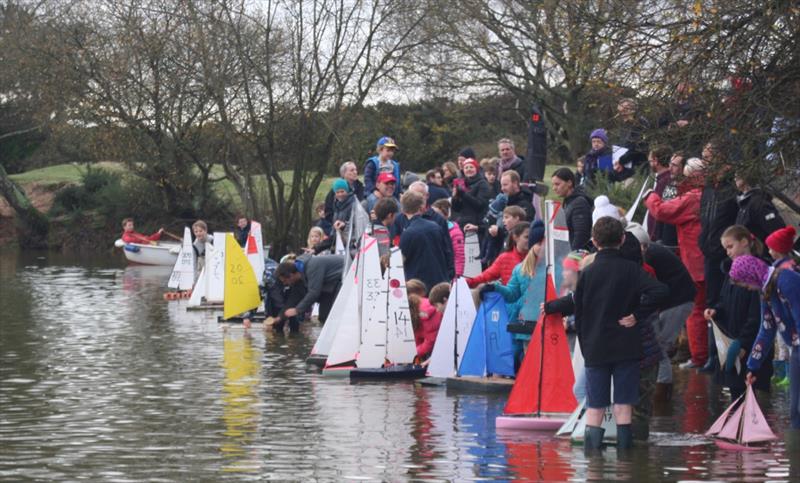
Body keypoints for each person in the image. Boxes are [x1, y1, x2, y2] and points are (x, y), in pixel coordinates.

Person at [574, 217, 668, 453]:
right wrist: (638, 314)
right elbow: (661, 290)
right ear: (623, 239)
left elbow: (579, 311)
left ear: (594, 242)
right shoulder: (632, 270)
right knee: (624, 406)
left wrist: (586, 345)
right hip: (627, 345)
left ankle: (592, 465)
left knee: (595, 407)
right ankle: (626, 465)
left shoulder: (587, 272)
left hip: (596, 345)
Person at [644, 158, 708, 370]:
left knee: (697, 310)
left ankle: (699, 357)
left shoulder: (693, 197)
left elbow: (662, 211)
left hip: (695, 261)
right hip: (703, 260)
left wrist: (651, 196)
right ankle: (707, 356)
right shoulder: (708, 194)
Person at [626, 223, 696, 402]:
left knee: (659, 348)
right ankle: (660, 396)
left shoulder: (649, 256)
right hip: (670, 301)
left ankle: (661, 397)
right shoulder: (647, 253)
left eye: (643, 246)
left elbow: (649, 289)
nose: (641, 250)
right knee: (658, 346)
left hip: (678, 300)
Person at [732, 255, 800, 429]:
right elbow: (767, 329)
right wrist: (753, 366)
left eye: (745, 283)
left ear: (751, 275)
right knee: (795, 412)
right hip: (796, 349)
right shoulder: (766, 291)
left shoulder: (787, 280)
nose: (747, 288)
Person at [706, 225, 772, 400]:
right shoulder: (731, 272)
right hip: (732, 340)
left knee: (752, 394)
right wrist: (716, 310)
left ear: (744, 242)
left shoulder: (757, 271)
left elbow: (757, 315)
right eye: (725, 248)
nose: (727, 252)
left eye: (730, 246)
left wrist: (744, 342)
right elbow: (723, 299)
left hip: (750, 344)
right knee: (736, 394)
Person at [394, 181, 455, 279]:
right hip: (413, 275)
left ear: (427, 196)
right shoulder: (400, 219)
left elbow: (447, 249)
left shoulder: (438, 220)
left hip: (435, 274)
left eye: (419, 195)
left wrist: (450, 273)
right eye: (412, 195)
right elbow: (395, 245)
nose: (415, 198)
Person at [399, 191, 451, 292]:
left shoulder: (408, 233)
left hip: (418, 286)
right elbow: (447, 252)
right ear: (422, 208)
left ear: (403, 210)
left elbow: (400, 260)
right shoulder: (436, 226)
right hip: (440, 282)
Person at [276, 253, 345, 324]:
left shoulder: (313, 266)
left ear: (291, 276)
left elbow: (314, 292)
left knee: (332, 317)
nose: (285, 284)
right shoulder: (299, 277)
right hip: (330, 285)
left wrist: (297, 310)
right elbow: (293, 298)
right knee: (323, 317)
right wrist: (280, 317)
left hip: (345, 277)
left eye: (285, 281)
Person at [467, 222, 530, 288]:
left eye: (532, 236)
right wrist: (468, 282)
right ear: (515, 237)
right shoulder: (504, 258)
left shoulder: (538, 257)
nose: (530, 239)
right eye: (526, 237)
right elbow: (486, 276)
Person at [734, 172, 785, 244]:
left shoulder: (758, 202)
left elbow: (777, 230)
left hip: (765, 252)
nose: (735, 178)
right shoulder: (744, 204)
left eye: (738, 175)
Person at [551, 168, 593, 251]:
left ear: (569, 183)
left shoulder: (579, 203)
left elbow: (581, 234)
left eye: (557, 184)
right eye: (553, 185)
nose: (554, 188)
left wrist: (573, 256)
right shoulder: (568, 201)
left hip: (576, 255)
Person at [646, 145, 677, 245]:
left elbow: (661, 209)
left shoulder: (666, 181)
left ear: (656, 161)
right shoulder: (663, 180)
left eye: (650, 161)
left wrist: (655, 236)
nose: (650, 164)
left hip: (659, 238)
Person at [451, 158, 492, 230]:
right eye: (466, 167)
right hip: (463, 222)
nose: (468, 169)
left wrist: (463, 194)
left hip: (477, 223)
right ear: (463, 170)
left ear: (476, 169)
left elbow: (480, 205)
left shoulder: (482, 183)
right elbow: (456, 208)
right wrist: (455, 197)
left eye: (471, 167)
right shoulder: (461, 184)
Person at [431, 199, 465, 277]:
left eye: (437, 214)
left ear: (446, 215)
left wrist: (457, 275)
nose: (434, 216)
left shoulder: (455, 232)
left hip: (448, 273)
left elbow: (459, 255)